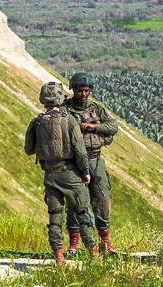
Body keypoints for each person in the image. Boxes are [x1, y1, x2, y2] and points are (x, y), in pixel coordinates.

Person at [23, 79, 95, 262]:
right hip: (70, 174)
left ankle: (59, 257)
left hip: (50, 175)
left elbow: (29, 150)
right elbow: (80, 150)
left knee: (55, 216)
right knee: (82, 213)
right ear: (60, 98)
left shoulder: (37, 122)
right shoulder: (69, 120)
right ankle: (94, 254)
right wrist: (85, 171)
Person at [65, 71, 120, 254]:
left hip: (95, 160)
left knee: (102, 199)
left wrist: (94, 127)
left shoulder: (96, 108)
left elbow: (113, 127)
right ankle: (74, 243)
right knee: (74, 203)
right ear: (73, 90)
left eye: (87, 90)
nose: (84, 94)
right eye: (80, 90)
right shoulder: (65, 109)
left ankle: (105, 242)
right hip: (73, 163)